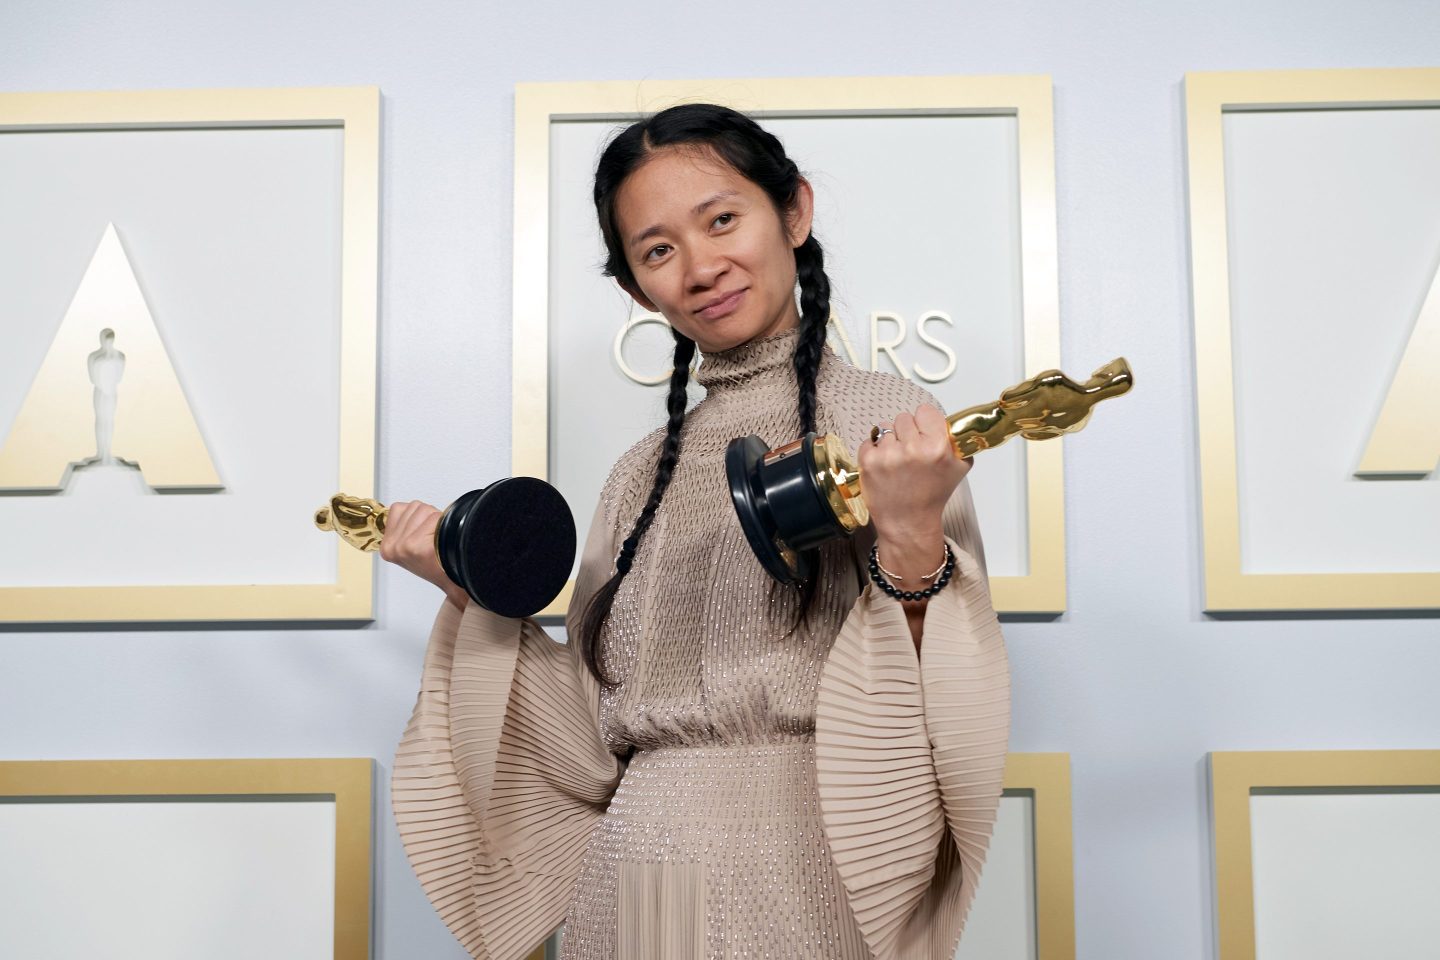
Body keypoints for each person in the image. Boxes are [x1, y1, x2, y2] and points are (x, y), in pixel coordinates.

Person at [383, 104, 1011, 960]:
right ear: (634, 289)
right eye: (658, 251)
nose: (702, 267)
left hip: (813, 866)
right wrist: (469, 591)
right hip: (635, 884)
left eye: (721, 220)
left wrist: (907, 533)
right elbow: (587, 734)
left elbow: (942, 703)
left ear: (794, 211)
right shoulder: (636, 475)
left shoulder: (889, 426)